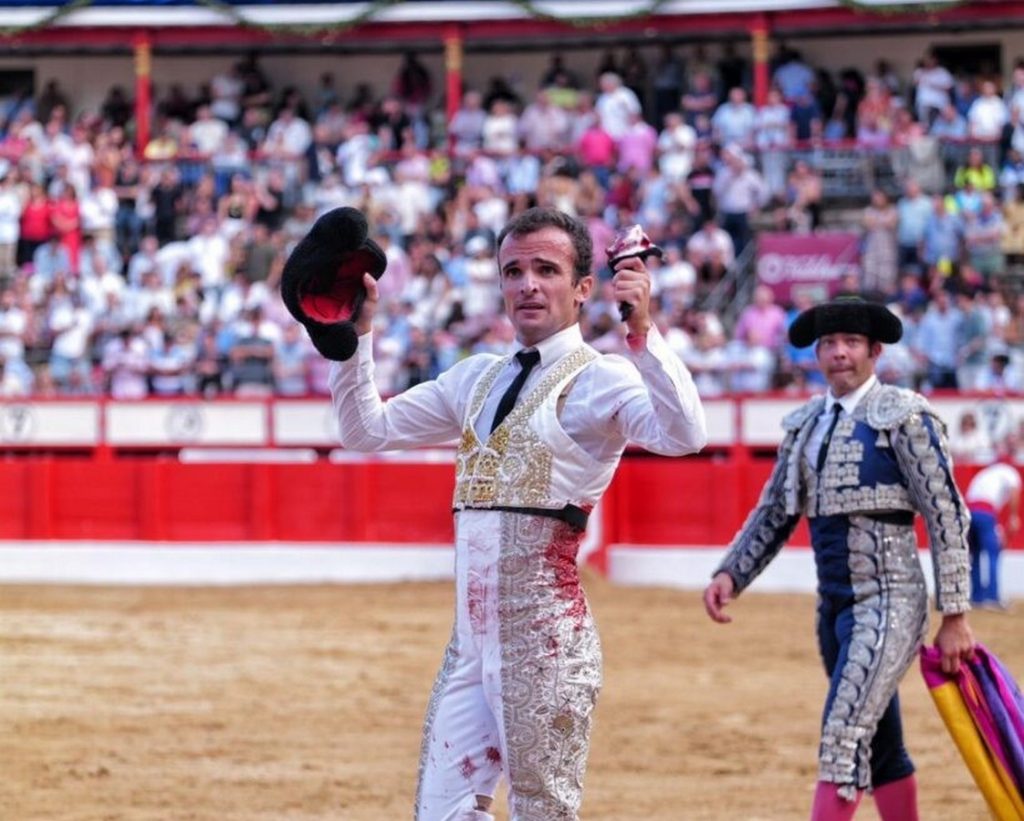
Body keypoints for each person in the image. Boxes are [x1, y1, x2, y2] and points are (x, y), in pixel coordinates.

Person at [329, 207, 707, 820]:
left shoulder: (600, 381)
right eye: (514, 271)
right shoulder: (475, 377)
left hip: (547, 646)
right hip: (469, 648)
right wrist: (356, 336)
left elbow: (685, 434)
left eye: (546, 269)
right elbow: (364, 429)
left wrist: (643, 335)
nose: (527, 284)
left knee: (543, 812)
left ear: (584, 288)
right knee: (441, 812)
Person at [702, 294, 975, 821]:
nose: (839, 354)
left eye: (851, 343)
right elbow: (774, 512)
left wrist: (956, 616)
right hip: (834, 609)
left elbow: (946, 515)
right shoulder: (806, 424)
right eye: (829, 344)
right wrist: (731, 573)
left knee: (843, 734)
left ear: (875, 351)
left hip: (892, 601)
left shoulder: (905, 418)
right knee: (879, 745)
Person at [965, 441, 1021, 610]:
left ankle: (976, 597)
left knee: (974, 554)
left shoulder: (984, 474)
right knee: (993, 553)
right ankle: (992, 596)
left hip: (968, 511)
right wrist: (1013, 517)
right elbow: (1013, 491)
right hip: (985, 512)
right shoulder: (1010, 473)